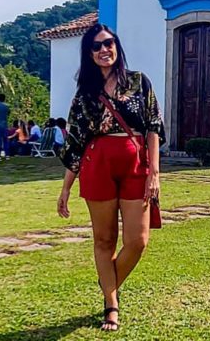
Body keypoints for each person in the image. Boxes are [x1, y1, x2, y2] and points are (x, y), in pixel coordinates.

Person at [57, 24, 164, 333]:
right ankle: (111, 305)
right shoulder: (85, 94)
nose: (104, 50)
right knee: (104, 240)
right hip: (97, 164)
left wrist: (154, 173)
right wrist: (65, 188)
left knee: (138, 241)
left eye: (108, 43)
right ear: (89, 54)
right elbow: (75, 144)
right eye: (96, 46)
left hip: (136, 164)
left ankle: (108, 279)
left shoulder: (138, 82)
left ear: (117, 46)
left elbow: (154, 126)